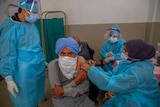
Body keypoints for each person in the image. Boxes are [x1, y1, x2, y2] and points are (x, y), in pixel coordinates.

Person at [81, 39, 160, 107]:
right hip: (125, 96)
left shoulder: (139, 72)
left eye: (125, 50)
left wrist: (91, 70)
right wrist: (94, 69)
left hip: (138, 102)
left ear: (136, 53)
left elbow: (111, 82)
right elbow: (112, 75)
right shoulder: (128, 62)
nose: (122, 52)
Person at [0, 0, 46, 107]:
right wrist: (8, 78)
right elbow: (7, 54)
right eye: (33, 13)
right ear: (24, 10)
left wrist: (42, 58)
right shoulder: (10, 28)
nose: (34, 16)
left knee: (34, 97)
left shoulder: (31, 25)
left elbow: (36, 46)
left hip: (37, 68)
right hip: (22, 72)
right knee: (24, 100)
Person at [48, 37, 95, 107]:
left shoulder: (81, 63)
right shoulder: (53, 65)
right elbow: (56, 93)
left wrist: (63, 91)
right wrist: (76, 81)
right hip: (62, 102)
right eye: (63, 54)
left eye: (70, 53)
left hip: (81, 99)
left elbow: (84, 87)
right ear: (58, 53)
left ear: (75, 54)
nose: (66, 57)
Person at [72, 36, 99, 105]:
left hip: (88, 68)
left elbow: (91, 52)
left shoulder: (84, 45)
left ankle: (92, 100)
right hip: (76, 71)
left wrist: (91, 60)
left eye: (78, 45)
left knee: (95, 83)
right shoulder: (69, 50)